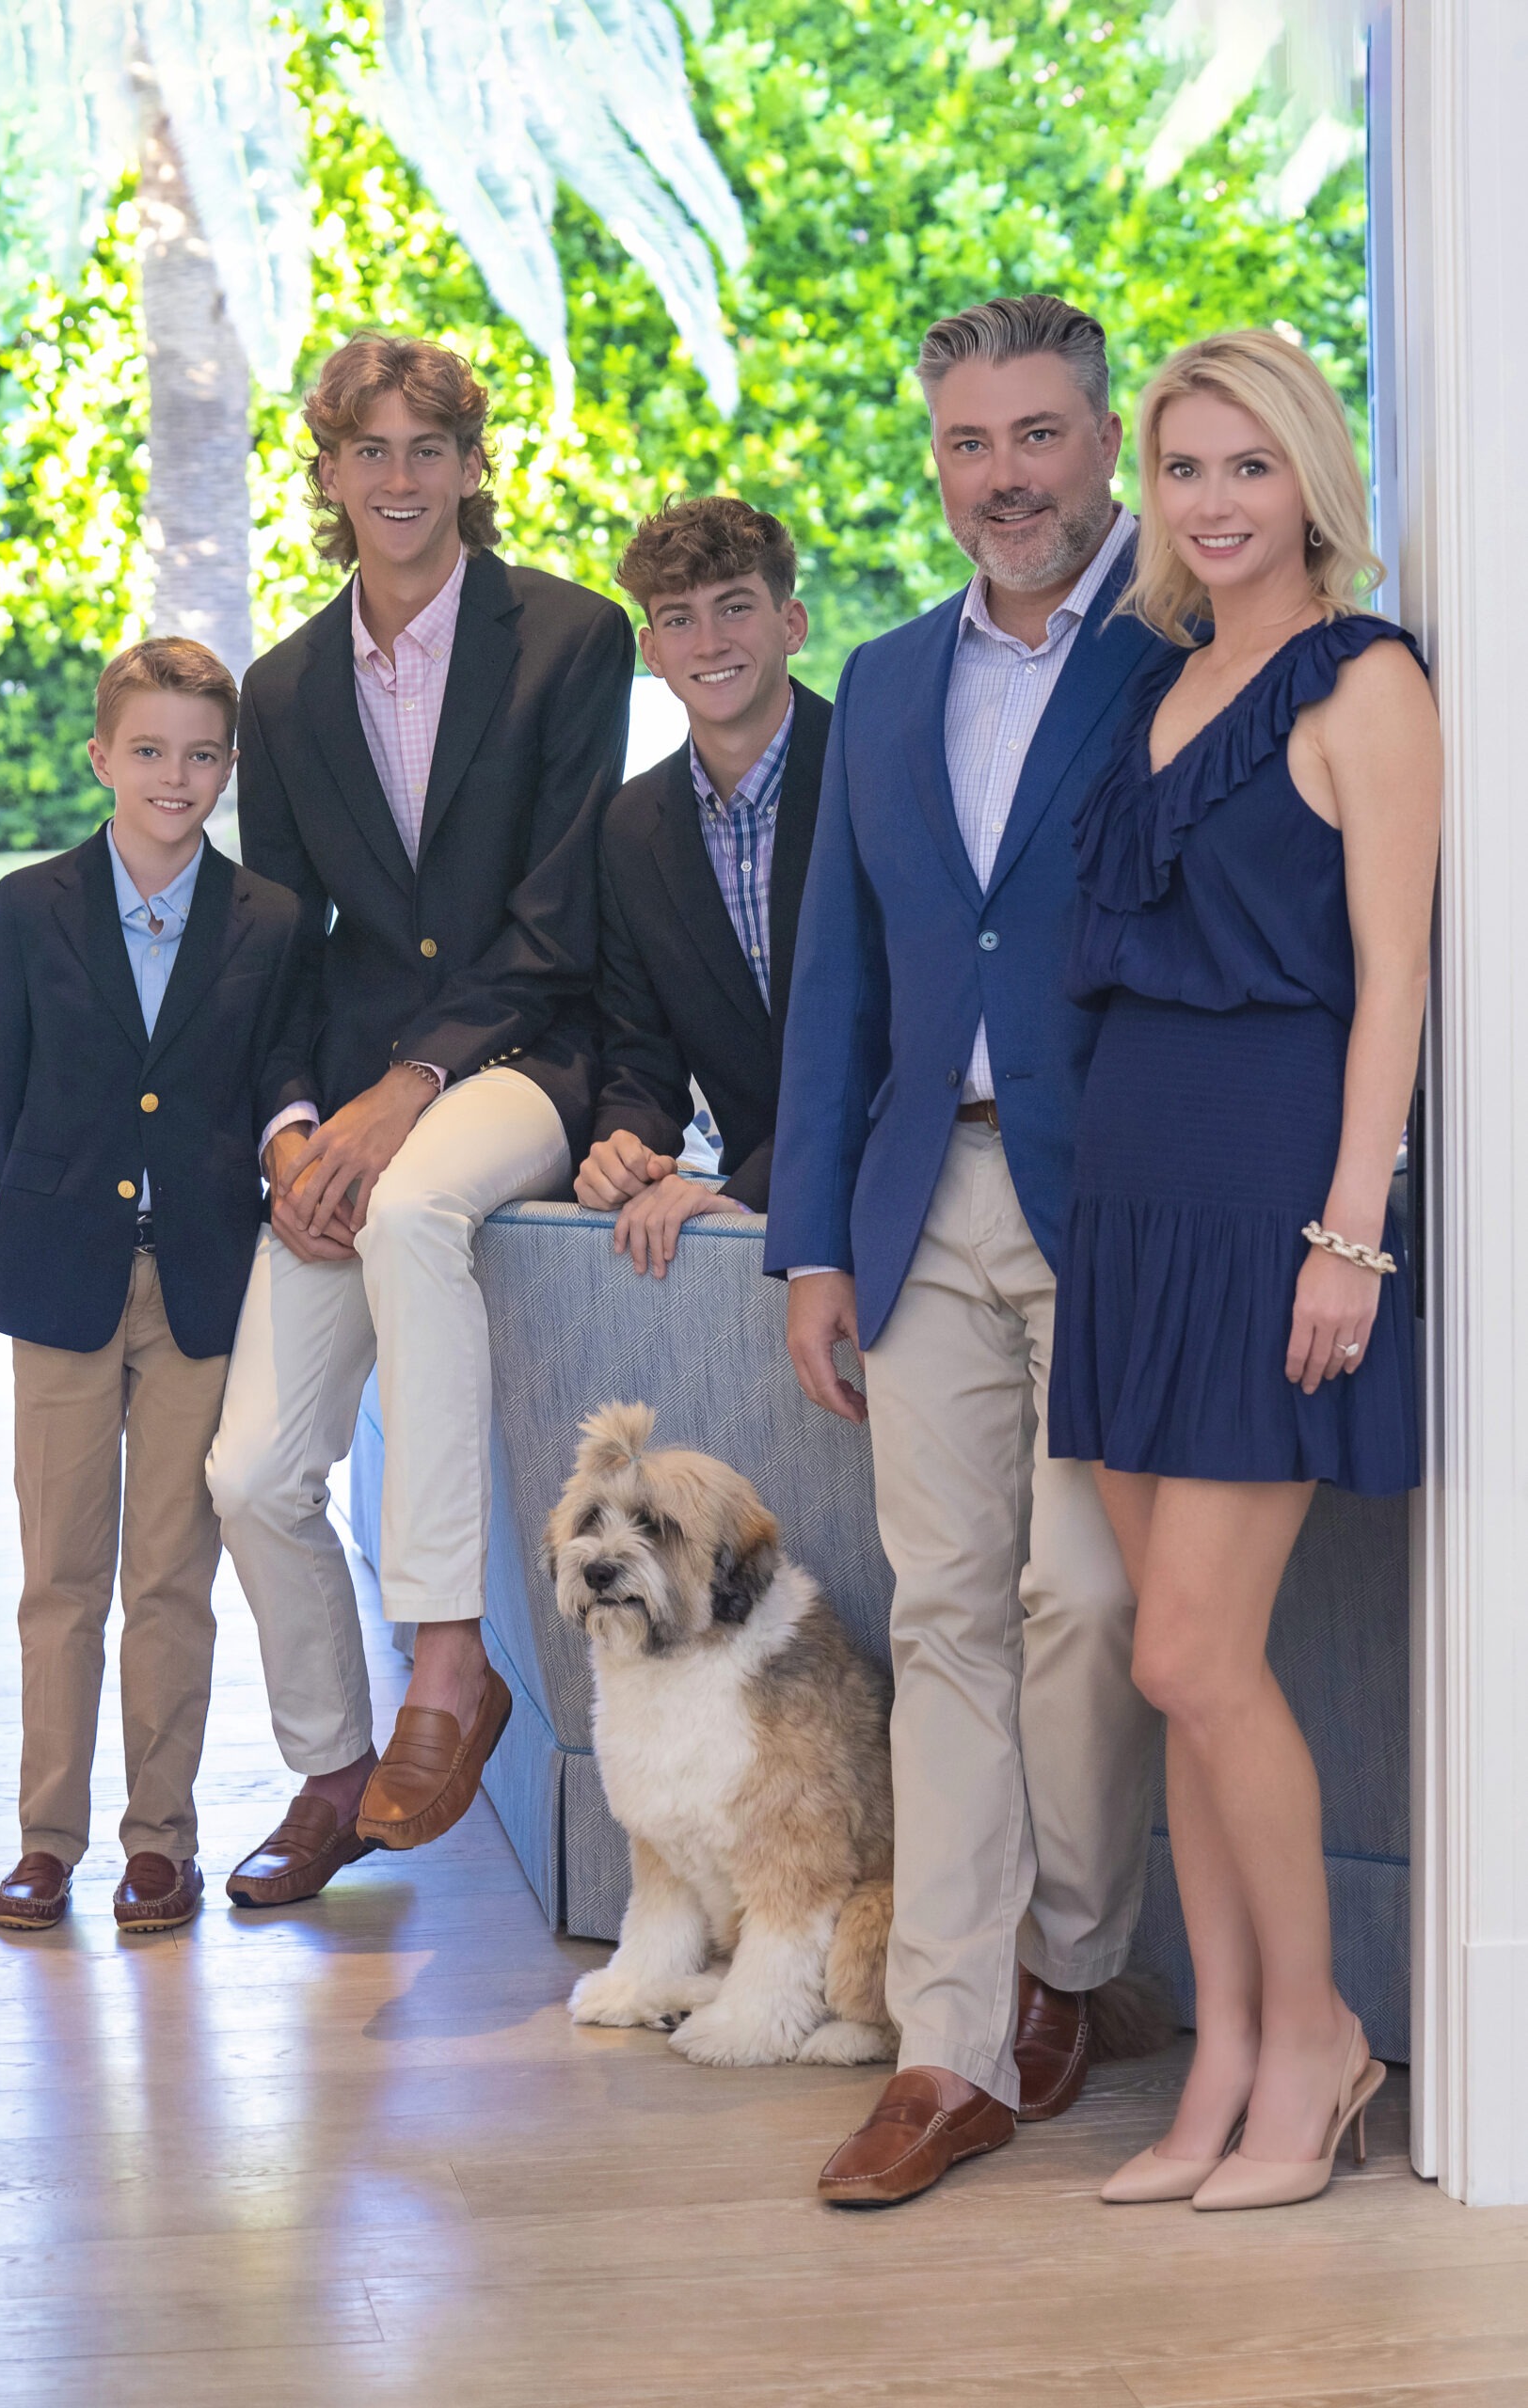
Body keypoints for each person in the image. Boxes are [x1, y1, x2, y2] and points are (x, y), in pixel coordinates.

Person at [765, 295, 1169, 2207]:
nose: (997, 475)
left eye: (1032, 435)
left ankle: (1063, 1956)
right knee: (941, 1611)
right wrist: (808, 1243)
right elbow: (837, 982)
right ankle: (944, 2040)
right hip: (920, 1201)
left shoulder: (1185, 651)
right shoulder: (887, 676)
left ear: (1098, 442)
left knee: (1081, 1601)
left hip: (1122, 1201)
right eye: (962, 442)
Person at [1050, 330, 1440, 2210]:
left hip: (1271, 1194)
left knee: (1202, 1651)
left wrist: (1350, 1228)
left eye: (1246, 466)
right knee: (1170, 1661)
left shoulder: (1360, 677)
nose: (1211, 502)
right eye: (1182, 467)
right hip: (1130, 1201)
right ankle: (1219, 2050)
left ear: (1308, 485)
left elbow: (1396, 982)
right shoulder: (1159, 681)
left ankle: (1320, 2035)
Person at [206, 334, 633, 1908]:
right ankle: (333, 1765)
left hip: (527, 1060)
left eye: (426, 446)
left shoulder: (568, 639)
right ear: (325, 474)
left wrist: (400, 1099)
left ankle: (446, 1668)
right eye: (367, 450)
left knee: (409, 1206)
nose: (397, 478)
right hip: (356, 1093)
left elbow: (555, 914)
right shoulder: (283, 689)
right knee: (250, 1472)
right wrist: (293, 1128)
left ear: (468, 464)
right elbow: (287, 939)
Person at [0, 640, 307, 1935]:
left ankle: (158, 1841)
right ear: (105, 756)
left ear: (229, 766)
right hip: (64, 1283)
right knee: (60, 1579)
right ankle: (44, 1842)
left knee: (170, 1574)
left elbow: (270, 1075)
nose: (177, 777)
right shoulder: (32, 904)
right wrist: (69, 1205)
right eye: (152, 750)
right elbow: (6, 1091)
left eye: (203, 754)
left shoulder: (271, 921)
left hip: (202, 1288)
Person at [574, 496, 832, 1268]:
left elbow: (890, 1038)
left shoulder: (874, 773)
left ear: (791, 623)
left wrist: (742, 1187)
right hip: (753, 1226)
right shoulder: (629, 828)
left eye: (734, 607)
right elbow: (641, 1056)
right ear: (651, 652)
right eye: (680, 619)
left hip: (901, 1183)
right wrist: (623, 1148)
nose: (710, 641)